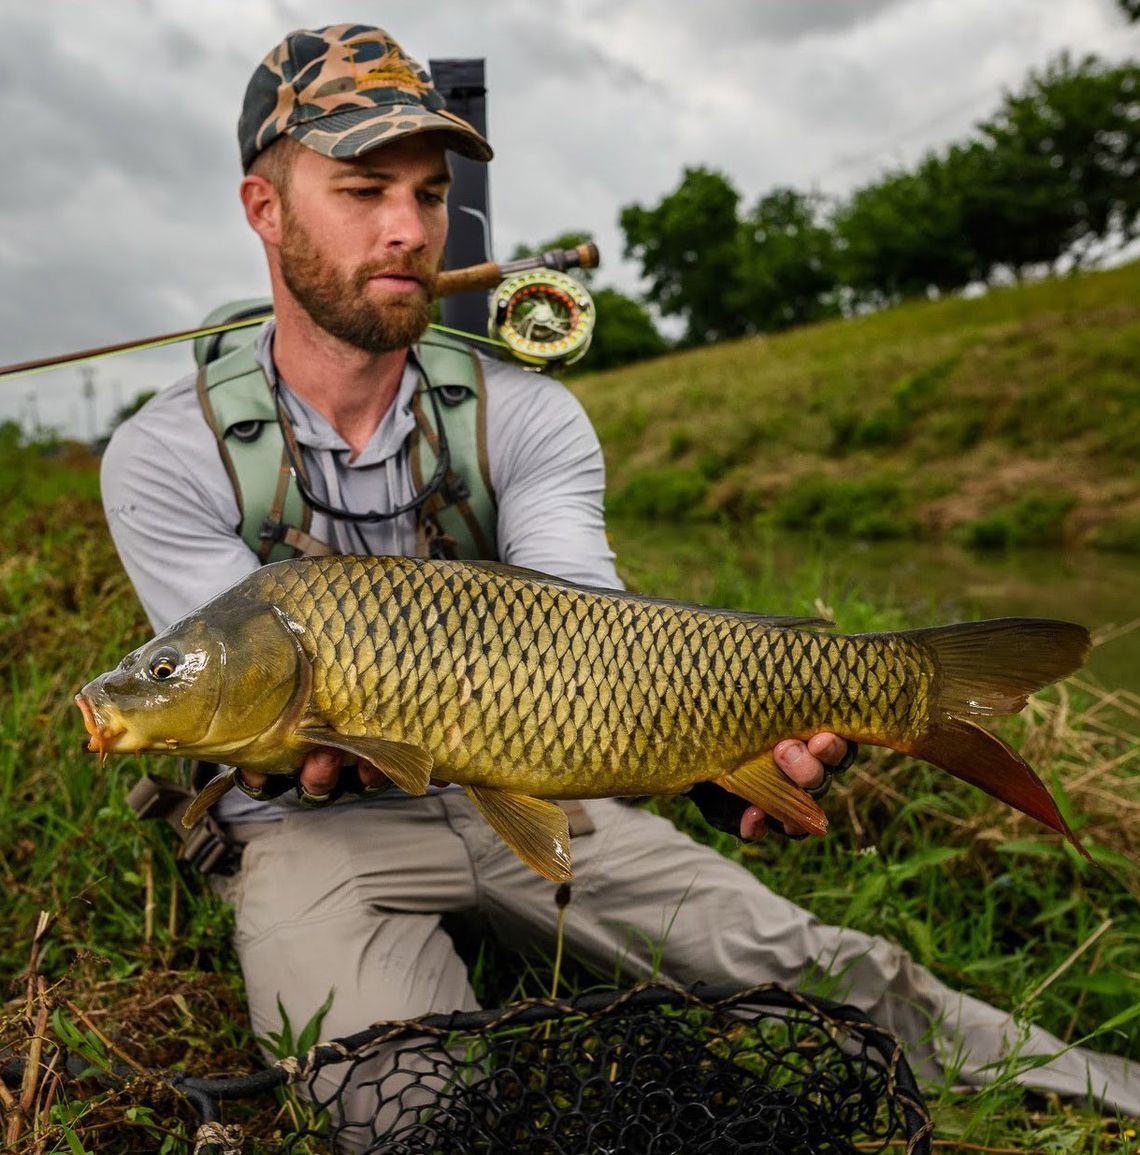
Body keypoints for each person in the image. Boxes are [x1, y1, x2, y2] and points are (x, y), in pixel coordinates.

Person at [100, 22, 1138, 1148]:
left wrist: (712, 764)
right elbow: (234, 701)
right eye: (361, 190)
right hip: (317, 831)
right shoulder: (165, 455)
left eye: (429, 192)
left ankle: (1098, 1088)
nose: (407, 228)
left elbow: (592, 643)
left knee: (821, 965)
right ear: (265, 208)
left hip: (546, 790)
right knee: (391, 1100)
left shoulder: (530, 415)